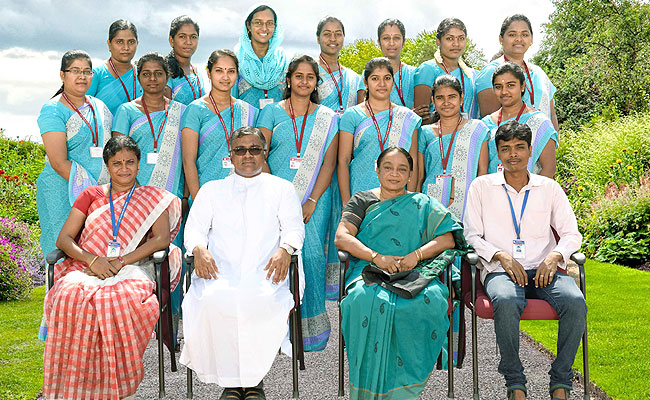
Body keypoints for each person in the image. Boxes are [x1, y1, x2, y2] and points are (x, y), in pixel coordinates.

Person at [41, 135, 182, 400]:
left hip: (133, 267)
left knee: (117, 300)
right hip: (88, 266)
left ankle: (119, 385)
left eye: (130, 162)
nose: (124, 168)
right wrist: (94, 260)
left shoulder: (153, 198)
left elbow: (162, 239)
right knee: (68, 296)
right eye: (117, 163)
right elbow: (64, 239)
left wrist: (120, 262)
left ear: (138, 163)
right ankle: (75, 385)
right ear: (107, 166)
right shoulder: (91, 194)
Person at [463, 121, 586, 400]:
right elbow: (471, 235)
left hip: (545, 270)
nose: (513, 154)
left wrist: (555, 256)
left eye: (519, 147)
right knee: (506, 300)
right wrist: (500, 255)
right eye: (506, 149)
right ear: (498, 153)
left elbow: (571, 234)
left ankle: (561, 381)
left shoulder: (549, 188)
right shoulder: (481, 187)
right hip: (500, 270)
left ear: (530, 150)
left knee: (575, 302)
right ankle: (515, 383)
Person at [180, 127, 304, 400]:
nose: (248, 155)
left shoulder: (282, 188)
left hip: (266, 272)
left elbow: (294, 229)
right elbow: (194, 229)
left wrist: (285, 249)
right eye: (240, 150)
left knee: (258, 301)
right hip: (220, 272)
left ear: (264, 153)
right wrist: (199, 249)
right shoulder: (212, 190)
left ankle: (253, 381)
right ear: (231, 155)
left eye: (254, 149)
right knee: (213, 300)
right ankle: (232, 383)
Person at [334, 147, 469, 400]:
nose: (394, 174)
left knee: (430, 300)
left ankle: (404, 391)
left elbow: (448, 238)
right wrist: (377, 257)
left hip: (415, 272)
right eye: (388, 168)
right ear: (377, 170)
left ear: (410, 174)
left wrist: (416, 255)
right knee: (362, 299)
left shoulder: (423, 203)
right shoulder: (362, 200)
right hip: (369, 270)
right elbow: (342, 237)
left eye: (401, 169)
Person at [257, 55, 339, 352]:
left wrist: (312, 199)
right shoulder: (271, 113)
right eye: (299, 76)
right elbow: (260, 154)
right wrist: (277, 198)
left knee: (312, 257)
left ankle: (309, 333)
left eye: (310, 77)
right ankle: (274, 331)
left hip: (315, 199)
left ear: (317, 82)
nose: (304, 81)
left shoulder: (328, 117)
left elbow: (328, 163)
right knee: (275, 257)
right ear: (288, 80)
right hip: (276, 198)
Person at [331, 57, 421, 300]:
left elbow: (412, 164)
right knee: (363, 263)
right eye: (375, 78)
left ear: (394, 81)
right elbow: (343, 161)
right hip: (361, 199)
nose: (381, 84)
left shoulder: (408, 118)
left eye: (387, 78)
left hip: (399, 198)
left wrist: (411, 203)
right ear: (366, 83)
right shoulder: (352, 116)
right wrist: (347, 203)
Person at [37, 50, 112, 259]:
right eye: (75, 71)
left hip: (100, 194)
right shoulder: (53, 109)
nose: (82, 76)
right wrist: (92, 194)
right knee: (60, 255)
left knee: (95, 252)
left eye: (87, 72)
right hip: (60, 192)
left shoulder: (99, 106)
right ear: (62, 75)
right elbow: (58, 162)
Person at [182, 49, 258, 201]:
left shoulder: (249, 111)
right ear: (209, 73)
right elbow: (188, 160)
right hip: (206, 193)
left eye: (231, 71)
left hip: (243, 195)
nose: (225, 77)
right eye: (219, 71)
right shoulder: (195, 110)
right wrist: (198, 200)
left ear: (237, 75)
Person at [418, 74, 489, 220]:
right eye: (440, 98)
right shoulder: (425, 132)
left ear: (461, 98)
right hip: (431, 202)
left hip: (467, 203)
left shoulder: (477, 129)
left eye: (452, 97)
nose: (446, 102)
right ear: (433, 101)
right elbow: (419, 176)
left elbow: (482, 172)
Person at [475, 14, 559, 130]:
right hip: (508, 140)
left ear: (531, 39)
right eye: (512, 34)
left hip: (543, 138)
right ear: (501, 39)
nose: (519, 39)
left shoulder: (539, 73)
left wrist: (553, 139)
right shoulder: (490, 72)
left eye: (524, 34)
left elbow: (552, 114)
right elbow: (491, 124)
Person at [482, 62, 557, 178]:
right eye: (498, 87)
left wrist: (530, 189)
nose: (504, 92)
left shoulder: (539, 122)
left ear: (522, 86)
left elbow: (549, 169)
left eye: (510, 85)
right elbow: (482, 169)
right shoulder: (486, 124)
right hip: (492, 187)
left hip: (530, 187)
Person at [414, 18, 479, 124]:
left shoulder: (471, 74)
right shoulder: (427, 69)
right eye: (449, 38)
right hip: (437, 132)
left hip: (469, 131)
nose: (456, 44)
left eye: (461, 38)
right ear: (438, 41)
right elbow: (422, 116)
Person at [233, 5, 287, 109]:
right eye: (258, 23)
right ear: (248, 26)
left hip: (279, 118)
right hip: (245, 118)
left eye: (270, 23)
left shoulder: (283, 60)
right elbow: (229, 101)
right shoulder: (236, 59)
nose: (264, 28)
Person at [87, 19, 142, 116]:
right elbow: (82, 110)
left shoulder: (142, 74)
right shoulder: (97, 74)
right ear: (109, 44)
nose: (126, 47)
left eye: (131, 42)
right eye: (119, 42)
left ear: (137, 43)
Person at [316, 16, 365, 114]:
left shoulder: (354, 78)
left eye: (338, 34)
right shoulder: (309, 72)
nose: (333, 39)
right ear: (318, 39)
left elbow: (361, 114)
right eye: (327, 34)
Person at [377, 18, 417, 110]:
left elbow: (420, 112)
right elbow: (362, 111)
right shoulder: (369, 74)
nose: (391, 43)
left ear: (403, 42)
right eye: (386, 38)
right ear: (379, 43)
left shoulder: (415, 74)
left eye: (396, 38)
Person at [165, 16, 205, 105]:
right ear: (171, 41)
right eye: (182, 36)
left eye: (193, 37)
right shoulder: (166, 72)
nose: (188, 42)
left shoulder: (197, 72)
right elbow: (165, 109)